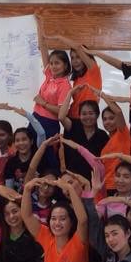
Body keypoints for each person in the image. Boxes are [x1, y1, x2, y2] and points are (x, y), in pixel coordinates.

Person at [32, 32, 73, 167]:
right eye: (51, 63)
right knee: (32, 153)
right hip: (35, 117)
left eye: (57, 63)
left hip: (49, 123)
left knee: (47, 158)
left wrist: (43, 103)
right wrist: (40, 28)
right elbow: (43, 50)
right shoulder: (50, 76)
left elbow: (62, 111)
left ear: (65, 65)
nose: (53, 66)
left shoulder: (65, 85)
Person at [47, 34, 102, 119]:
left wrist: (59, 37)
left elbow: (78, 48)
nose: (75, 61)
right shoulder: (76, 79)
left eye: (78, 57)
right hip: (72, 118)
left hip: (86, 120)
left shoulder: (93, 72)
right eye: (72, 58)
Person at [58, 93, 109, 182]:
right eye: (84, 114)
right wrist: (70, 93)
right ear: (79, 115)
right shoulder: (73, 126)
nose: (87, 117)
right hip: (72, 179)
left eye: (91, 113)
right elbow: (61, 117)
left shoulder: (103, 136)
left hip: (92, 181)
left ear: (97, 115)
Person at [95, 88, 131, 196]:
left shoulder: (123, 134)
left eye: (111, 118)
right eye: (105, 119)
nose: (107, 122)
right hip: (106, 187)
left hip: (120, 186)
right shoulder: (107, 141)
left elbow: (118, 112)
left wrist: (102, 95)